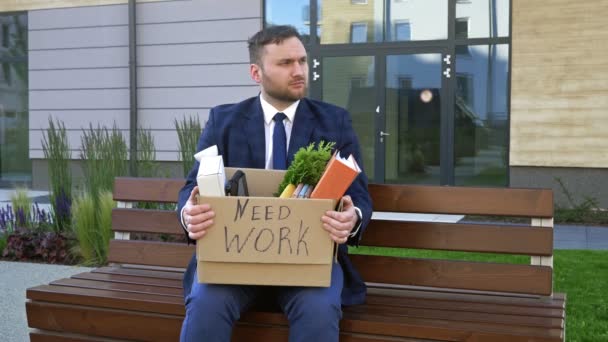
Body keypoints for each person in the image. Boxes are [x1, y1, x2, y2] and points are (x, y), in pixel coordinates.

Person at [177, 25, 372, 342]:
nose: (299, 71)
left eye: (302, 61)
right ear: (256, 72)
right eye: (285, 63)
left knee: (319, 313)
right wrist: (188, 213)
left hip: (308, 266)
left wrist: (352, 219)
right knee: (204, 306)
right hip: (233, 263)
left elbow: (359, 197)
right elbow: (191, 188)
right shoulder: (223, 120)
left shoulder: (334, 121)